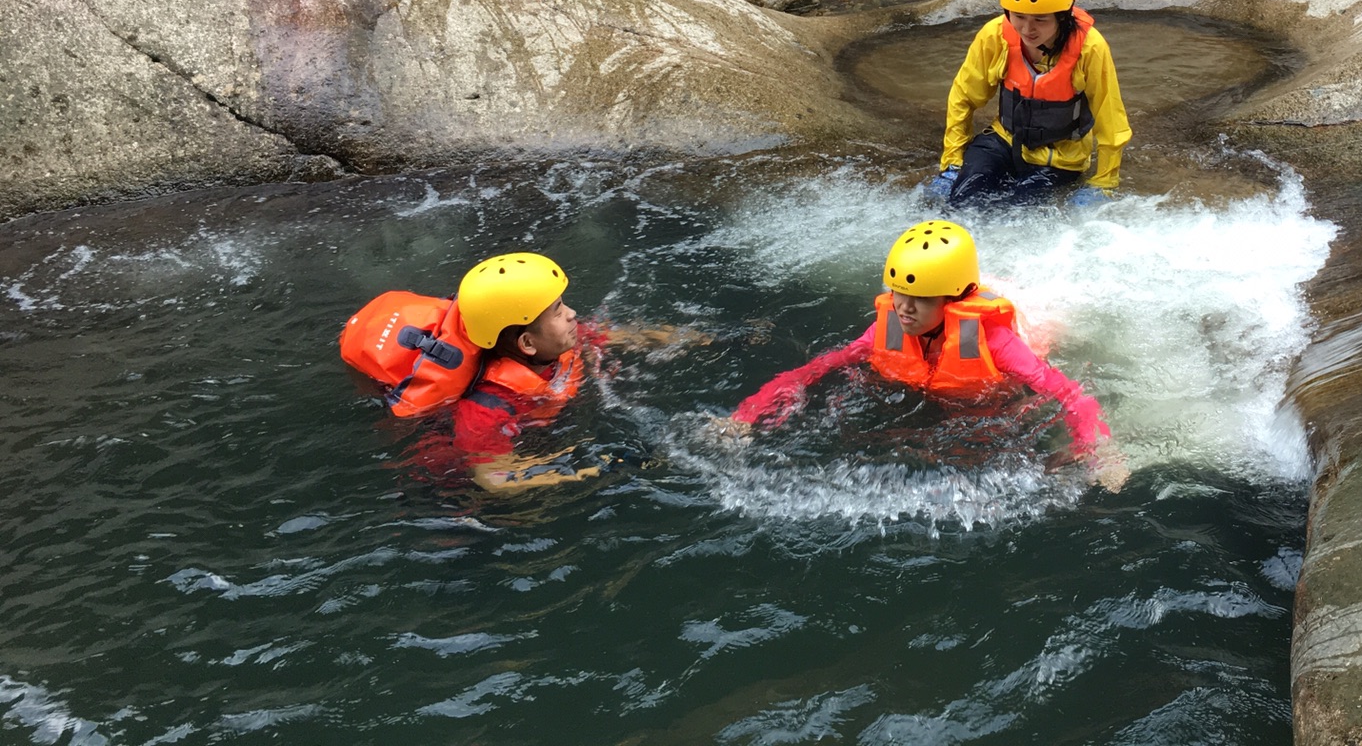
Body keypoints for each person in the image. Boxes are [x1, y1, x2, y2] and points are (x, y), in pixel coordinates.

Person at [728, 220, 1128, 489]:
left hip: (1033, 326)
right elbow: (815, 369)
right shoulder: (885, 328)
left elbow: (1069, 392)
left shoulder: (995, 342)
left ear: (952, 299)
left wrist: (1098, 450)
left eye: (919, 299)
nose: (903, 308)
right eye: (899, 293)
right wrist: (746, 416)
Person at [341, 252, 698, 492]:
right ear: (527, 343)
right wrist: (600, 465)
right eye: (558, 311)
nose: (573, 314)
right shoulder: (487, 408)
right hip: (451, 487)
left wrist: (715, 340)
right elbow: (495, 479)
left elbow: (631, 336)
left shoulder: (554, 342)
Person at [923, 0, 1130, 208]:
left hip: (1060, 158)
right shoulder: (995, 35)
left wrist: (1104, 181)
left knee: (1018, 211)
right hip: (1004, 141)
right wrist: (952, 163)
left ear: (1063, 16)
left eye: (1040, 20)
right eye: (1019, 16)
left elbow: (1111, 119)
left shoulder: (1091, 48)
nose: (1027, 30)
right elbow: (963, 97)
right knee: (961, 198)